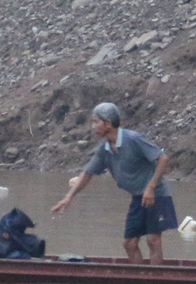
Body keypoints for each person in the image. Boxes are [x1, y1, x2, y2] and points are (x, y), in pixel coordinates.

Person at [51, 102, 177, 264]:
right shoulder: (104, 149)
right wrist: (68, 198)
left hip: (156, 195)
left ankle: (157, 281)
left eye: (95, 122)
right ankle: (140, 283)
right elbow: (88, 173)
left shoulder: (133, 139)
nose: (92, 126)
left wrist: (151, 187)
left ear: (108, 123)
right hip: (138, 197)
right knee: (129, 244)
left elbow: (162, 158)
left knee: (153, 241)